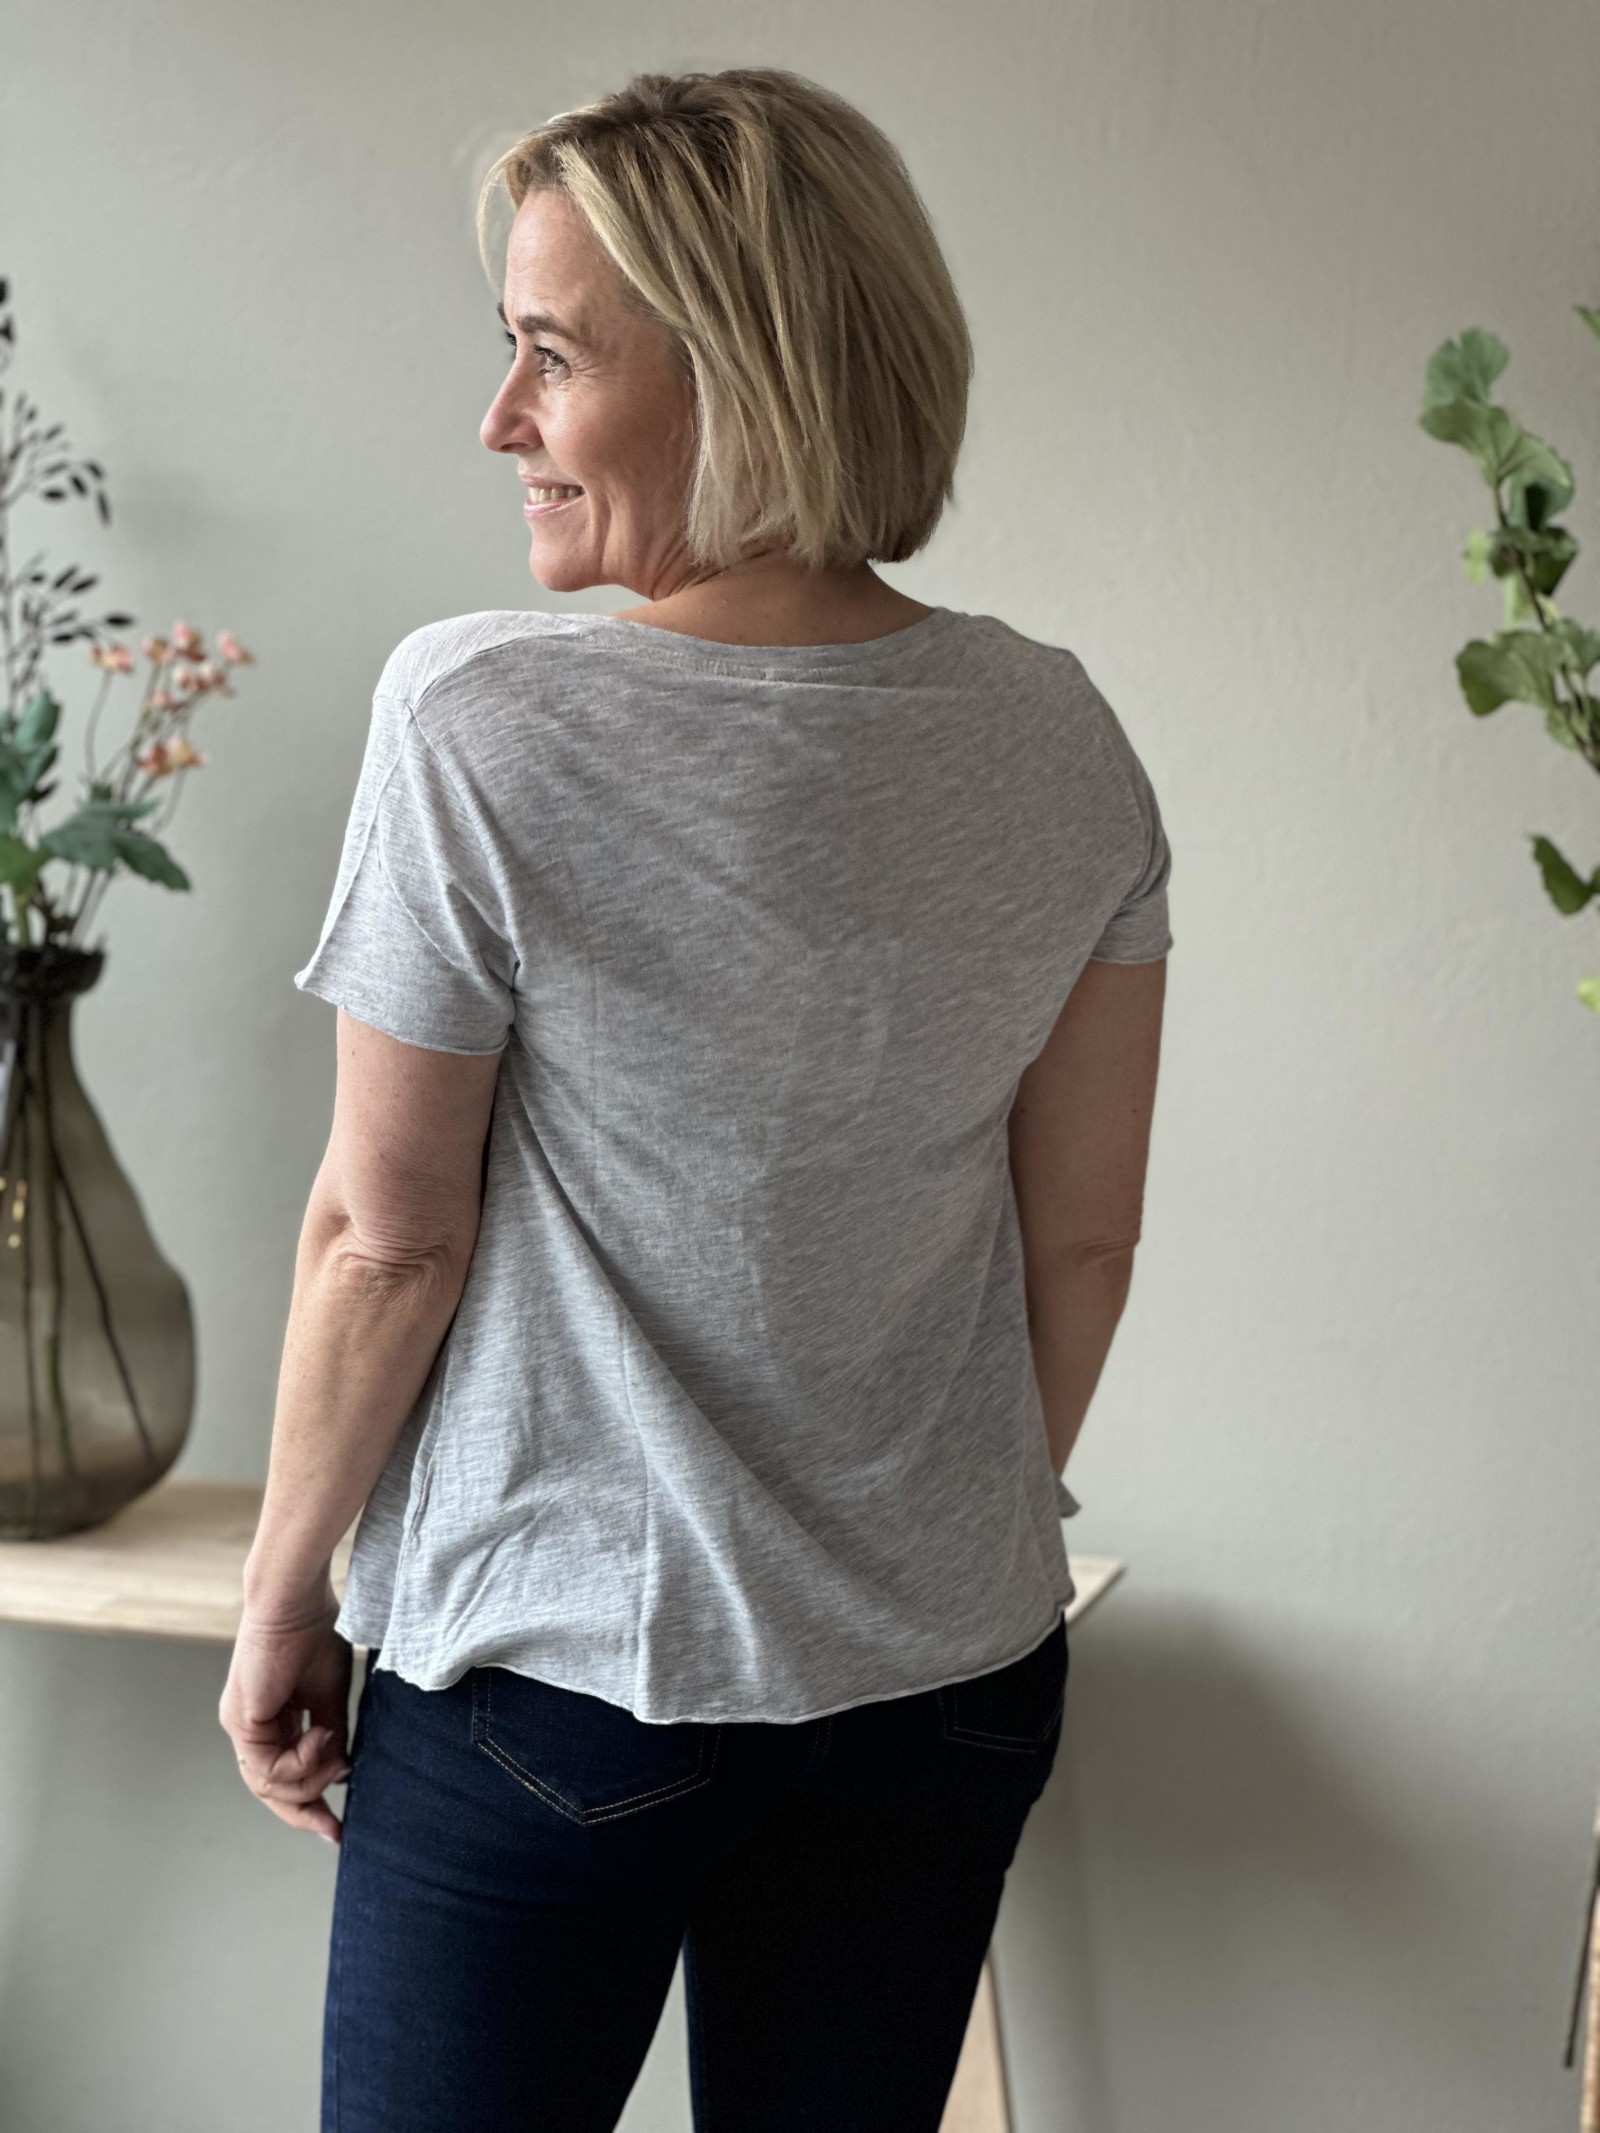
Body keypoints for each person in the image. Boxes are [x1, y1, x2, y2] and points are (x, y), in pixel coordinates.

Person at [218, 63, 1171, 2133]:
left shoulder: (483, 714)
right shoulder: (1056, 732)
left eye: (552, 355)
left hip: (563, 1672)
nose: (501, 417)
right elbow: (1083, 1239)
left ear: (737, 372)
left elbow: (385, 1237)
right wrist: (904, 1561)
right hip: (944, 1682)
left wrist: (281, 1594)